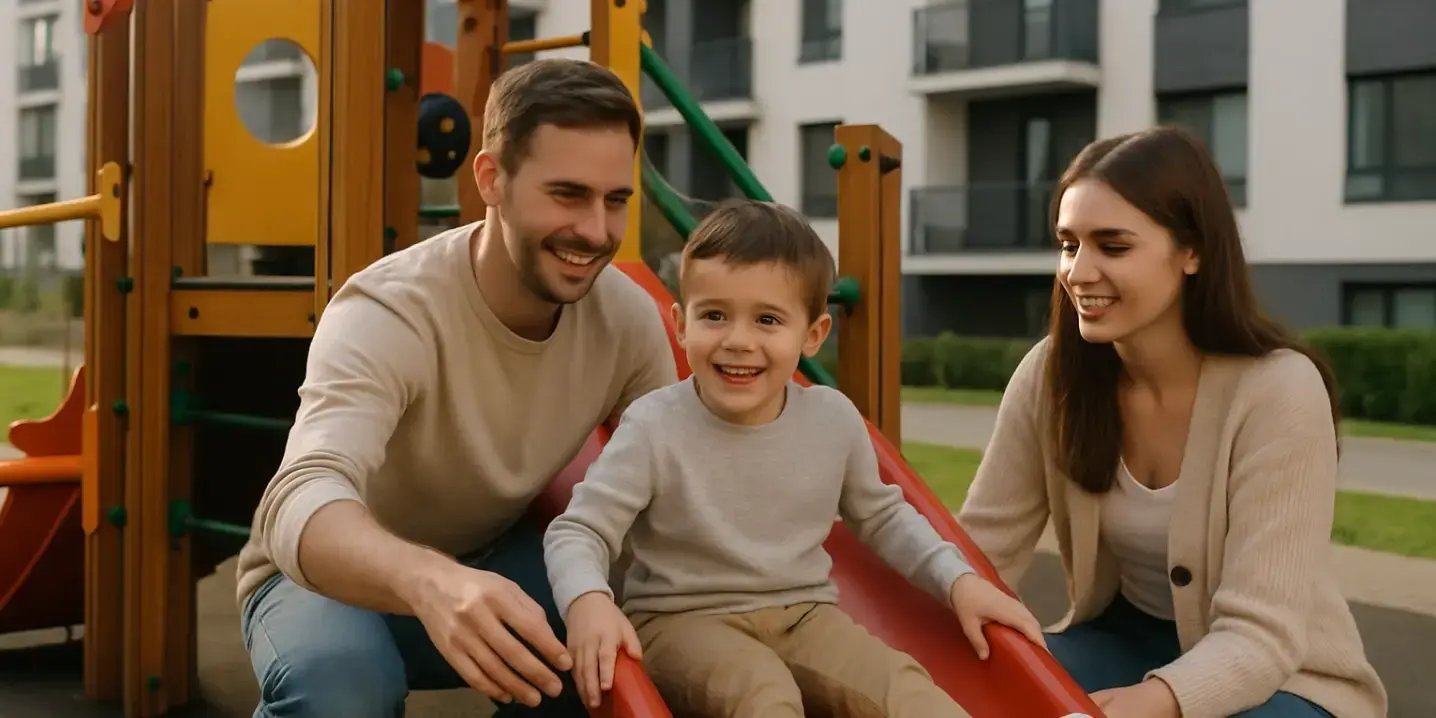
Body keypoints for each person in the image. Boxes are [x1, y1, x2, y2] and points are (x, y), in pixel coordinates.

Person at [234, 58, 678, 717]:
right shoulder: (389, 309)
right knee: (342, 686)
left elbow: (677, 488)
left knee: (601, 644)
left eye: (615, 200)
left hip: (489, 561)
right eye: (567, 194)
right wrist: (430, 580)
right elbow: (300, 496)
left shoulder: (626, 320)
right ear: (491, 179)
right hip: (325, 580)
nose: (595, 230)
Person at [542, 200, 1047, 717]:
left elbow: (884, 517)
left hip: (804, 615)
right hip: (682, 622)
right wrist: (588, 600)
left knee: (902, 688)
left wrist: (959, 582)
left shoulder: (831, 420)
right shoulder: (654, 425)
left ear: (812, 335)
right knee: (763, 693)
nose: (738, 341)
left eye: (767, 319)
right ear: (681, 324)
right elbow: (578, 531)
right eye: (714, 315)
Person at [956, 127, 1388, 718]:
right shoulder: (1052, 375)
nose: (1078, 273)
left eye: (1113, 247)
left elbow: (1260, 635)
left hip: (1284, 673)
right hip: (1119, 639)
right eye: (1068, 244)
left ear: (1192, 252)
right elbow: (980, 550)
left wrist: (1151, 702)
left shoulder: (1280, 390)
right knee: (986, 683)